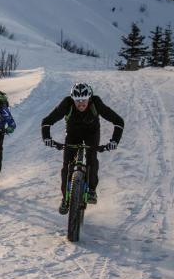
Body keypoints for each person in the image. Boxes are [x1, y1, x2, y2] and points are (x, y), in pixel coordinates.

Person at [41, 82, 124, 213]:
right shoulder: (66, 103)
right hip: (73, 134)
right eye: (77, 100)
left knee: (92, 158)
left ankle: (91, 190)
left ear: (89, 98)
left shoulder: (96, 103)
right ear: (72, 99)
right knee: (67, 165)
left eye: (84, 100)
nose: (80, 104)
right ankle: (65, 198)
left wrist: (114, 141)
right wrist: (47, 138)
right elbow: (47, 121)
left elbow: (118, 121)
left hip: (92, 133)